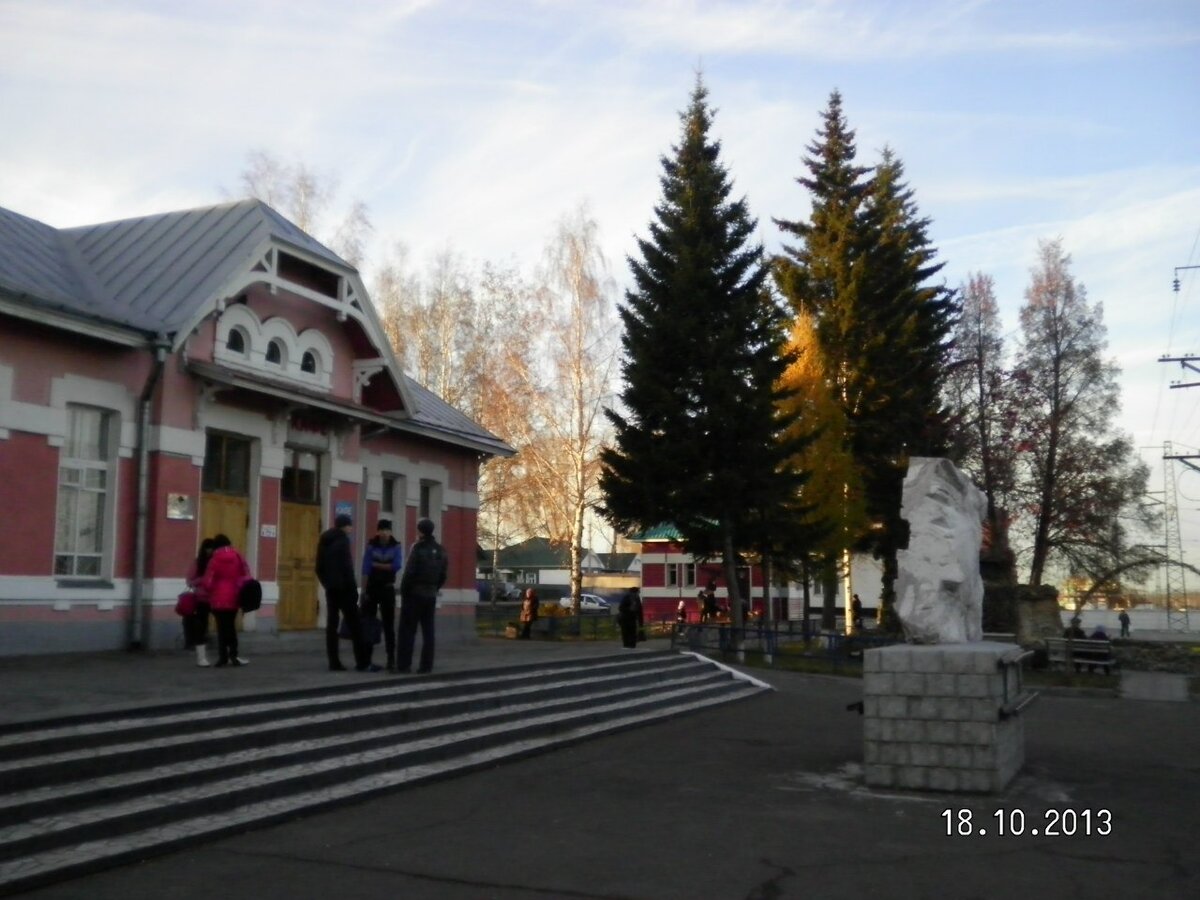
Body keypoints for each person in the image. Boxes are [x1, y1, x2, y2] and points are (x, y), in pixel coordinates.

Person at [317, 514, 376, 672]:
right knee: (356, 626)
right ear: (345, 526)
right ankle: (362, 662)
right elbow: (347, 569)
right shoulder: (343, 541)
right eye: (350, 525)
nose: (351, 528)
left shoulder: (324, 540)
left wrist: (327, 584)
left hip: (331, 590)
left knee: (332, 625)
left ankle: (334, 662)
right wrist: (354, 591)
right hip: (345, 590)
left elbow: (319, 567)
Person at [397, 517, 448, 674]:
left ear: (420, 531)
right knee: (428, 631)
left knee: (407, 630)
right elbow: (443, 574)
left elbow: (409, 572)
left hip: (414, 594)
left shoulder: (417, 548)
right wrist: (434, 587)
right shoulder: (440, 550)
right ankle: (426, 665)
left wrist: (404, 590)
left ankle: (404, 665)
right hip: (431, 594)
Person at [199, 534, 250, 667]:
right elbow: (246, 575)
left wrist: (210, 590)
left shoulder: (214, 559)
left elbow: (207, 582)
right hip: (234, 597)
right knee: (231, 626)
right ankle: (234, 655)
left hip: (218, 599)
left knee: (221, 628)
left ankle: (223, 657)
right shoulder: (238, 556)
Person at [361, 519, 403, 671]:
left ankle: (391, 659)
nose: (385, 533)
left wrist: (377, 565)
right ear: (378, 531)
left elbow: (397, 566)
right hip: (372, 589)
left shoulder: (396, 546)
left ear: (390, 532)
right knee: (369, 624)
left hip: (387, 588)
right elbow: (365, 568)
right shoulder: (371, 546)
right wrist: (364, 591)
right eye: (382, 530)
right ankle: (366, 659)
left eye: (387, 530)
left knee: (389, 625)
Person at [183, 538, 216, 667]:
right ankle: (201, 657)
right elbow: (189, 580)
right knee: (201, 627)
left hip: (216, 598)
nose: (210, 551)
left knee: (223, 625)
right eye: (208, 548)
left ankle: (227, 655)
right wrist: (202, 580)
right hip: (202, 599)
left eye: (212, 548)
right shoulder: (198, 563)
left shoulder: (217, 562)